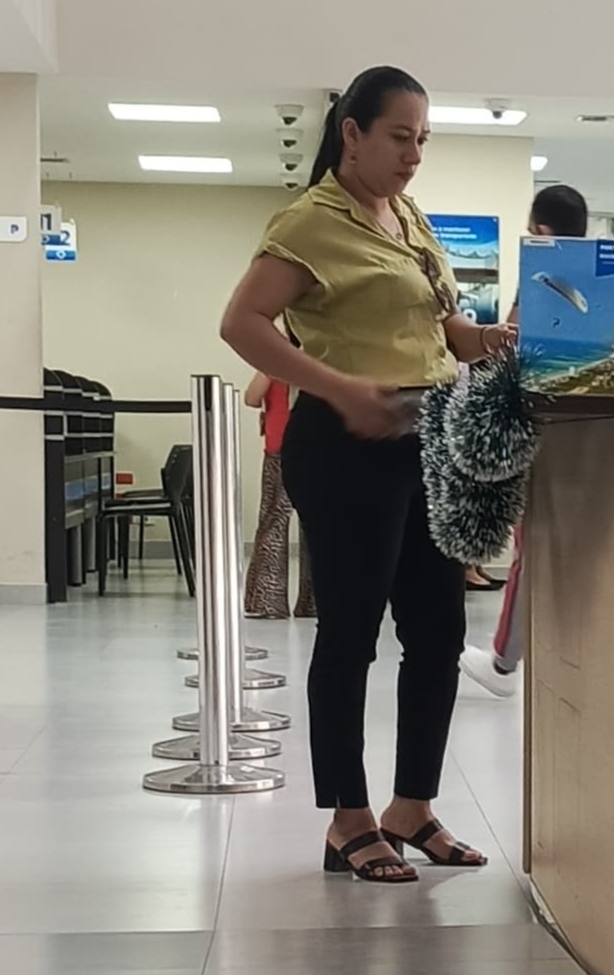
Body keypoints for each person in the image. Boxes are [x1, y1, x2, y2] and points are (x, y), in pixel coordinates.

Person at [220, 66, 516, 884]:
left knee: (438, 630)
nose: (413, 154)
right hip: (345, 438)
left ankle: (410, 806)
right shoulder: (310, 222)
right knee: (351, 631)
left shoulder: (407, 217)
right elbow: (241, 322)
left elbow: (441, 328)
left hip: (427, 433)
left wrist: (485, 339)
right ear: (351, 133)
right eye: (399, 137)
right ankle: (347, 818)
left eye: (422, 140)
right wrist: (338, 386)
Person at [460, 183, 590, 699]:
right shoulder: (607, 275)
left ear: (539, 229)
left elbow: (513, 343)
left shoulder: (541, 274)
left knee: (530, 546)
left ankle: (503, 663)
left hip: (541, 426)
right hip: (593, 428)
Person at [242, 363, 316, 620]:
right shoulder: (283, 363)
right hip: (290, 450)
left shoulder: (302, 361)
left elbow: (252, 398)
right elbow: (251, 398)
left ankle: (271, 600)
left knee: (282, 522)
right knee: (286, 522)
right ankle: (297, 601)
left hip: (296, 449)